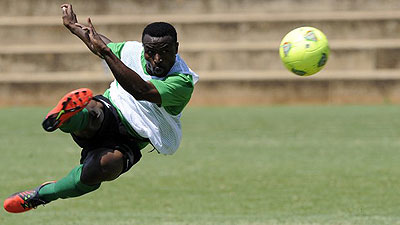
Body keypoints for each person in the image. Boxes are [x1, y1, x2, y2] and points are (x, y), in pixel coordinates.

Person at [3, 3, 199, 213]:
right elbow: (102, 45)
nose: (157, 59)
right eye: (151, 52)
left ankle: (41, 194)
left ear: (176, 49)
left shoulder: (182, 81)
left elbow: (142, 91)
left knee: (105, 166)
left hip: (133, 137)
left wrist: (106, 52)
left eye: (165, 52)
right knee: (93, 112)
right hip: (112, 108)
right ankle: (68, 117)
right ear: (144, 49)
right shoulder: (133, 52)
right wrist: (73, 26)